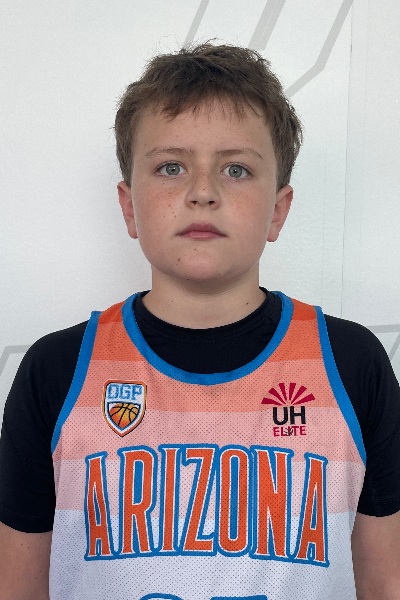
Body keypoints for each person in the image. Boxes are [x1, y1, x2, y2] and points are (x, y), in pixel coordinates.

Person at [0, 43, 399, 600]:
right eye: (171, 167)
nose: (203, 192)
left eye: (236, 169)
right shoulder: (57, 370)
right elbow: (19, 587)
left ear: (278, 210)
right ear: (129, 207)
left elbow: (385, 582)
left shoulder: (351, 364)